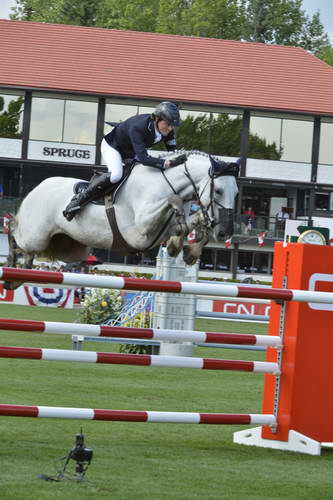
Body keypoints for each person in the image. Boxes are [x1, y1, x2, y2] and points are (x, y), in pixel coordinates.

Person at [63, 101, 187, 221]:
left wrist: (177, 158)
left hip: (130, 150)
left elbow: (172, 150)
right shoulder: (138, 127)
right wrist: (167, 163)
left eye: (172, 126)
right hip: (113, 146)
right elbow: (144, 158)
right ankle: (79, 200)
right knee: (116, 175)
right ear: (157, 119)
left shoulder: (166, 129)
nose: (170, 129)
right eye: (168, 124)